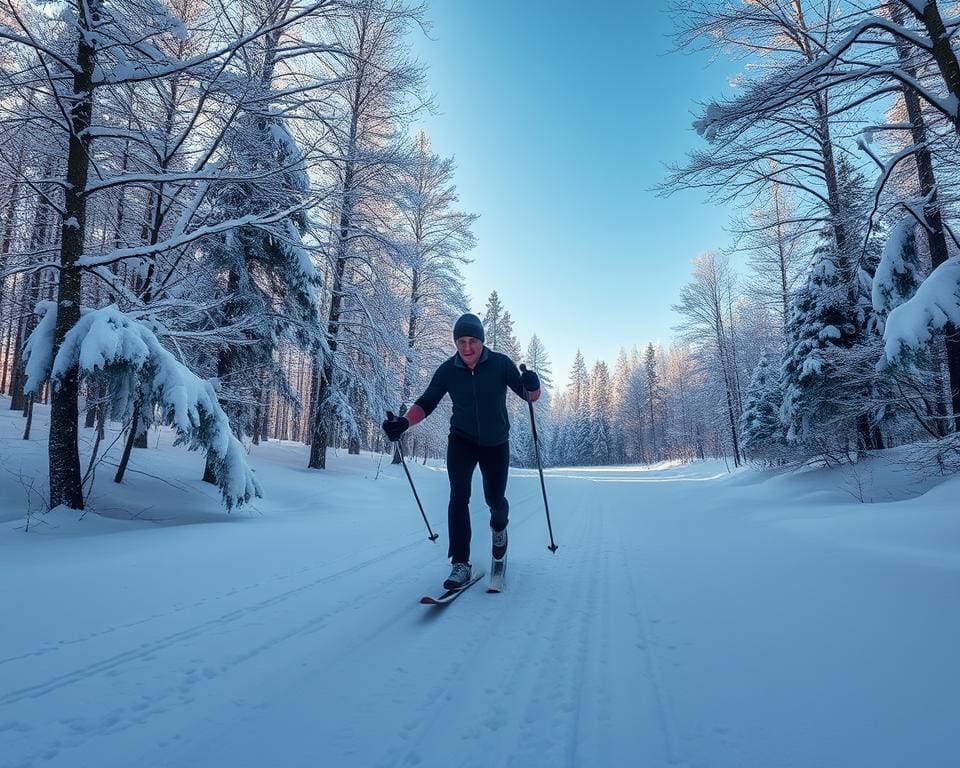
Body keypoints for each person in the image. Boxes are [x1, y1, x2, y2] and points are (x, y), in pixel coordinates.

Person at [382, 313, 540, 590]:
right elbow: (428, 401)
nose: (466, 348)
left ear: (482, 341)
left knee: (495, 499)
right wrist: (404, 422)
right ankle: (460, 563)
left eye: (472, 341)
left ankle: (500, 530)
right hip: (462, 441)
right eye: (461, 341)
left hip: (495, 443)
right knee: (458, 497)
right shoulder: (447, 370)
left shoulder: (501, 364)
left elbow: (528, 397)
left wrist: (532, 384)